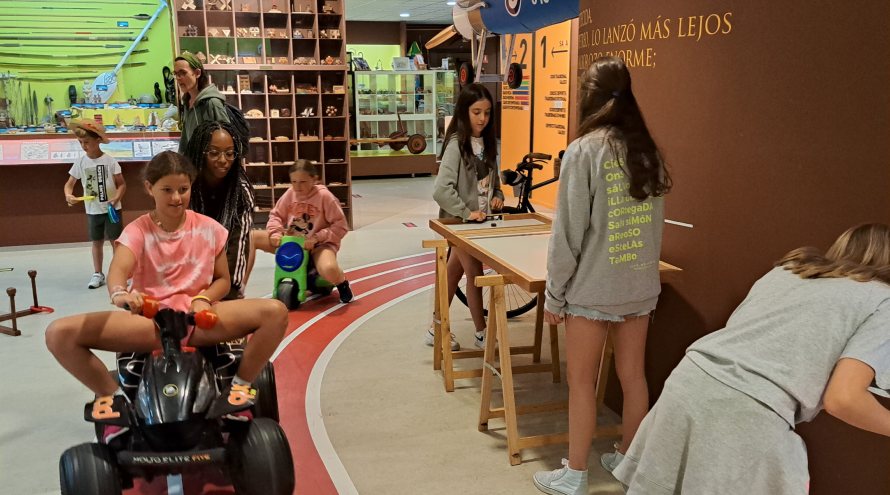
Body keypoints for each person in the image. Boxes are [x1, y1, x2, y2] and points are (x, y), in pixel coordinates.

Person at [613, 223, 890, 494]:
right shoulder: (882, 300)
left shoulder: (791, 269)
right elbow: (844, 399)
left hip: (690, 381)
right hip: (749, 410)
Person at [45, 151, 288, 443]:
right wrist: (121, 294)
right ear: (150, 188)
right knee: (59, 333)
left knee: (275, 311)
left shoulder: (210, 229)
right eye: (167, 190)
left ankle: (239, 385)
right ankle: (113, 396)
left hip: (199, 320)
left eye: (183, 190)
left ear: (191, 187)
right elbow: (118, 270)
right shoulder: (137, 231)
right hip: (152, 323)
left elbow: (223, 280)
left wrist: (204, 298)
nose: (176, 198)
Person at [533, 56, 672, 495]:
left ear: (587, 99)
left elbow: (567, 234)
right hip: (639, 287)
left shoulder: (584, 151)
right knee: (634, 378)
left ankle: (574, 474)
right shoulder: (647, 151)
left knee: (581, 383)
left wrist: (554, 297)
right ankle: (628, 462)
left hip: (593, 290)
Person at [428, 82, 504, 351]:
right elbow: (441, 190)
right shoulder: (456, 145)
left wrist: (498, 196)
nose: (483, 118)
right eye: (476, 112)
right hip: (462, 225)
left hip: (478, 223)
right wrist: (465, 212)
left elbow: (492, 183)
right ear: (464, 112)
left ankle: (436, 326)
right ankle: (481, 332)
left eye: (486, 112)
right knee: (475, 273)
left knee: (453, 273)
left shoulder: (488, 143)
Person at [246, 160, 353, 303]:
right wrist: (275, 233)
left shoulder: (325, 197)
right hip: (292, 243)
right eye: (294, 182)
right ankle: (239, 286)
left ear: (314, 179)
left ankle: (342, 283)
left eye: (302, 182)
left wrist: (317, 238)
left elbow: (341, 226)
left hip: (318, 246)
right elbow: (276, 215)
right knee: (252, 237)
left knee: (329, 269)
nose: (297, 186)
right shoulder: (290, 193)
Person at [182, 120, 254, 299]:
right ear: (200, 152)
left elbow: (238, 245)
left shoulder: (241, 191)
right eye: (213, 153)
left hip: (223, 279)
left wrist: (231, 290)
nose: (223, 160)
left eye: (230, 154)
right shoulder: (185, 186)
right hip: (184, 275)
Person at [63, 119, 127, 289]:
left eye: (87, 142)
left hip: (112, 209)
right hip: (92, 210)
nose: (84, 146)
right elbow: (69, 184)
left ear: (98, 140)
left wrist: (116, 199)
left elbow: (122, 184)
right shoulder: (80, 162)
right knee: (96, 241)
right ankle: (98, 273)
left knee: (116, 241)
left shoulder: (110, 161)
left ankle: (119, 271)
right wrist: (69, 195)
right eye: (80, 143)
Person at [174, 51, 230, 152]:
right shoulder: (187, 102)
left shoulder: (212, 102)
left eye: (183, 73)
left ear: (197, 73)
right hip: (192, 165)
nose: (178, 78)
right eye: (176, 74)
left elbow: (228, 138)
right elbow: (185, 139)